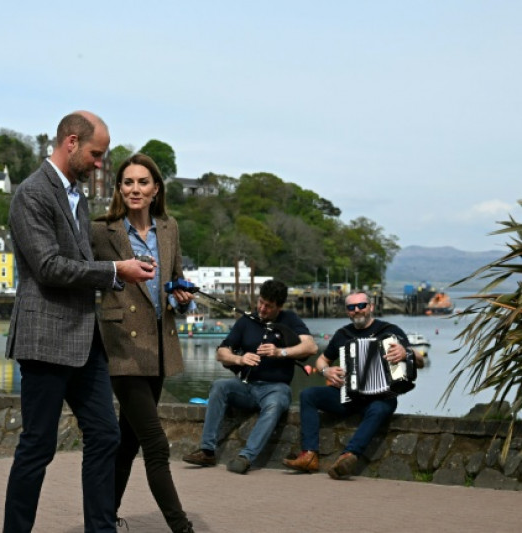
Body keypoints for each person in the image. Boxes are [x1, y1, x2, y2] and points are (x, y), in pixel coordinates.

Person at [2, 111, 156, 533]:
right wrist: (114, 272)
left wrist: (132, 269)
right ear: (71, 142)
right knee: (37, 447)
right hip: (45, 339)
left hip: (85, 341)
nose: (100, 163)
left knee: (106, 436)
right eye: (96, 154)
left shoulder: (78, 197)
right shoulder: (32, 194)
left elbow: (83, 260)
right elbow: (49, 267)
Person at [90, 153, 196, 533]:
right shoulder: (102, 231)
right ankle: (181, 527)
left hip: (161, 348)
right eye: (128, 182)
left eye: (143, 182)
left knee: (128, 444)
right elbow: (86, 274)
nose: (135, 189)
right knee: (156, 444)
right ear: (119, 188)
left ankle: (103, 519)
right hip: (123, 349)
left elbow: (176, 280)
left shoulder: (169, 228)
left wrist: (183, 298)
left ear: (155, 190)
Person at [283, 291, 424, 479]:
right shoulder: (343, 335)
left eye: (361, 306)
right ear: (347, 311)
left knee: (382, 407)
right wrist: (327, 371)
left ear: (371, 307)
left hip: (380, 397)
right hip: (348, 396)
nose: (357, 310)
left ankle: (348, 456)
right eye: (351, 307)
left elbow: (420, 361)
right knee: (308, 395)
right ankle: (309, 454)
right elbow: (322, 360)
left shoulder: (390, 331)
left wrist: (407, 352)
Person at [182, 279, 317, 474]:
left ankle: (246, 456)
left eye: (268, 306)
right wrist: (240, 359)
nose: (262, 308)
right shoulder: (247, 321)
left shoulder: (290, 319)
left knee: (276, 403)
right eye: (260, 302)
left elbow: (310, 346)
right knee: (220, 386)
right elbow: (221, 353)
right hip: (246, 386)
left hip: (275, 387)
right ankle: (207, 451)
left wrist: (280, 352)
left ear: (279, 306)